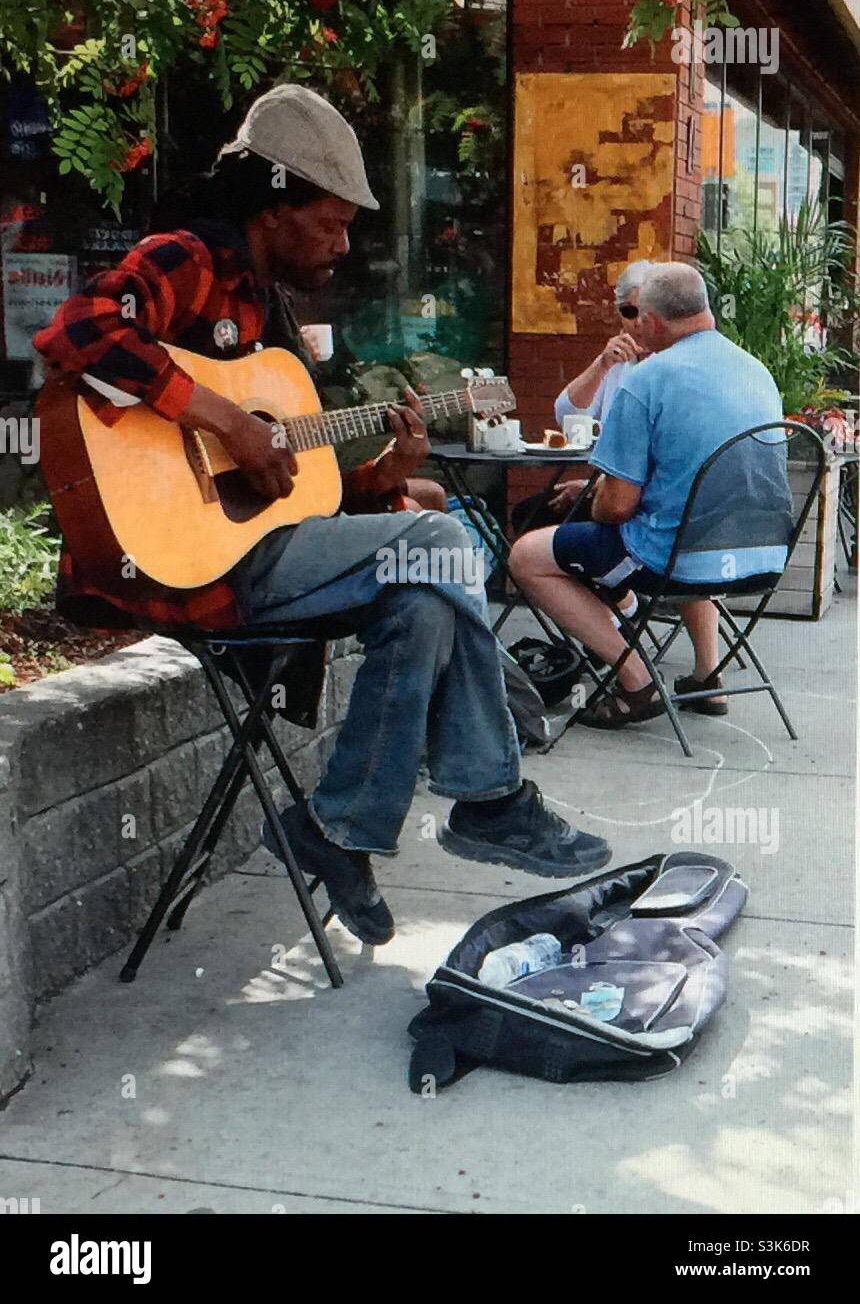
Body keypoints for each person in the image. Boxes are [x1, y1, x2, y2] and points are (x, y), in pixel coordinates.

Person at [34, 85, 610, 947]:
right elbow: (77, 332)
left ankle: (335, 829)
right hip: (181, 563)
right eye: (331, 223)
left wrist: (390, 472)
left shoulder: (272, 315)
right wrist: (225, 418)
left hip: (255, 554)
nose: (344, 244)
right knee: (446, 540)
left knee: (422, 595)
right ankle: (492, 797)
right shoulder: (186, 259)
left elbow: (310, 500)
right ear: (273, 209)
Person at [509, 263, 789, 727]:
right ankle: (706, 674)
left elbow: (616, 508)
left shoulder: (648, 378)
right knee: (670, 525)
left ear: (652, 322)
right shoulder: (756, 371)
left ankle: (636, 682)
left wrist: (597, 495)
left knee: (527, 555)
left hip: (676, 561)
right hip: (762, 557)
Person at [511, 261, 652, 534]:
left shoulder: (667, 366)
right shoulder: (619, 363)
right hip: (610, 487)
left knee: (537, 521)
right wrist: (601, 365)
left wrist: (595, 489)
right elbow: (568, 416)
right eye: (629, 311)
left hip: (637, 503)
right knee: (530, 512)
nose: (637, 322)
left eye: (645, 312)